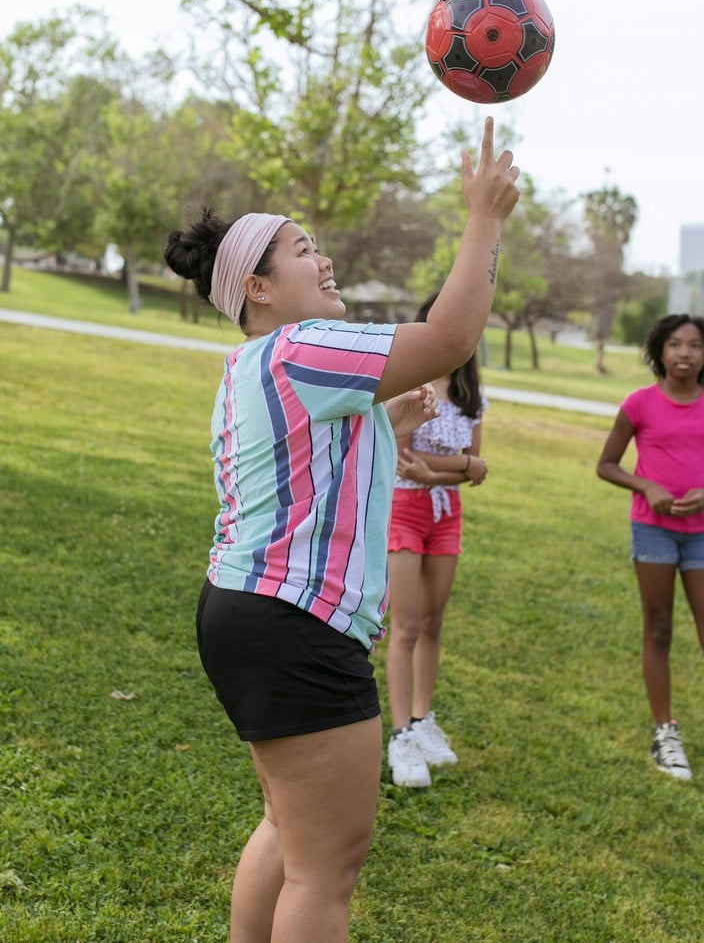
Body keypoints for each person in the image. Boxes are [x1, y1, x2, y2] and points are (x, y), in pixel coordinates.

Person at [163, 116, 520, 943]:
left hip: (244, 610)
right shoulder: (303, 347)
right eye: (303, 249)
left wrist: (388, 420)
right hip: (293, 622)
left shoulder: (255, 365)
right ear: (258, 287)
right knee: (327, 868)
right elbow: (451, 338)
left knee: (290, 830)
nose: (322, 259)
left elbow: (310, 470)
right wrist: (484, 217)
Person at [596, 312, 704, 794]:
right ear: (659, 351)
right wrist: (645, 485)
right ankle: (665, 735)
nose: (684, 353)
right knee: (659, 629)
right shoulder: (639, 404)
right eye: (675, 344)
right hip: (652, 532)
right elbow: (606, 465)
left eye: (695, 345)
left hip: (701, 536)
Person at [385, 292, 488, 788]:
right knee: (405, 626)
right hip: (404, 510)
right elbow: (408, 460)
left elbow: (475, 468)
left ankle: (423, 720)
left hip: (447, 514)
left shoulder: (471, 395)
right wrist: (464, 465)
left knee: (432, 622)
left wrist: (447, 472)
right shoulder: (412, 383)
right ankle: (400, 735)